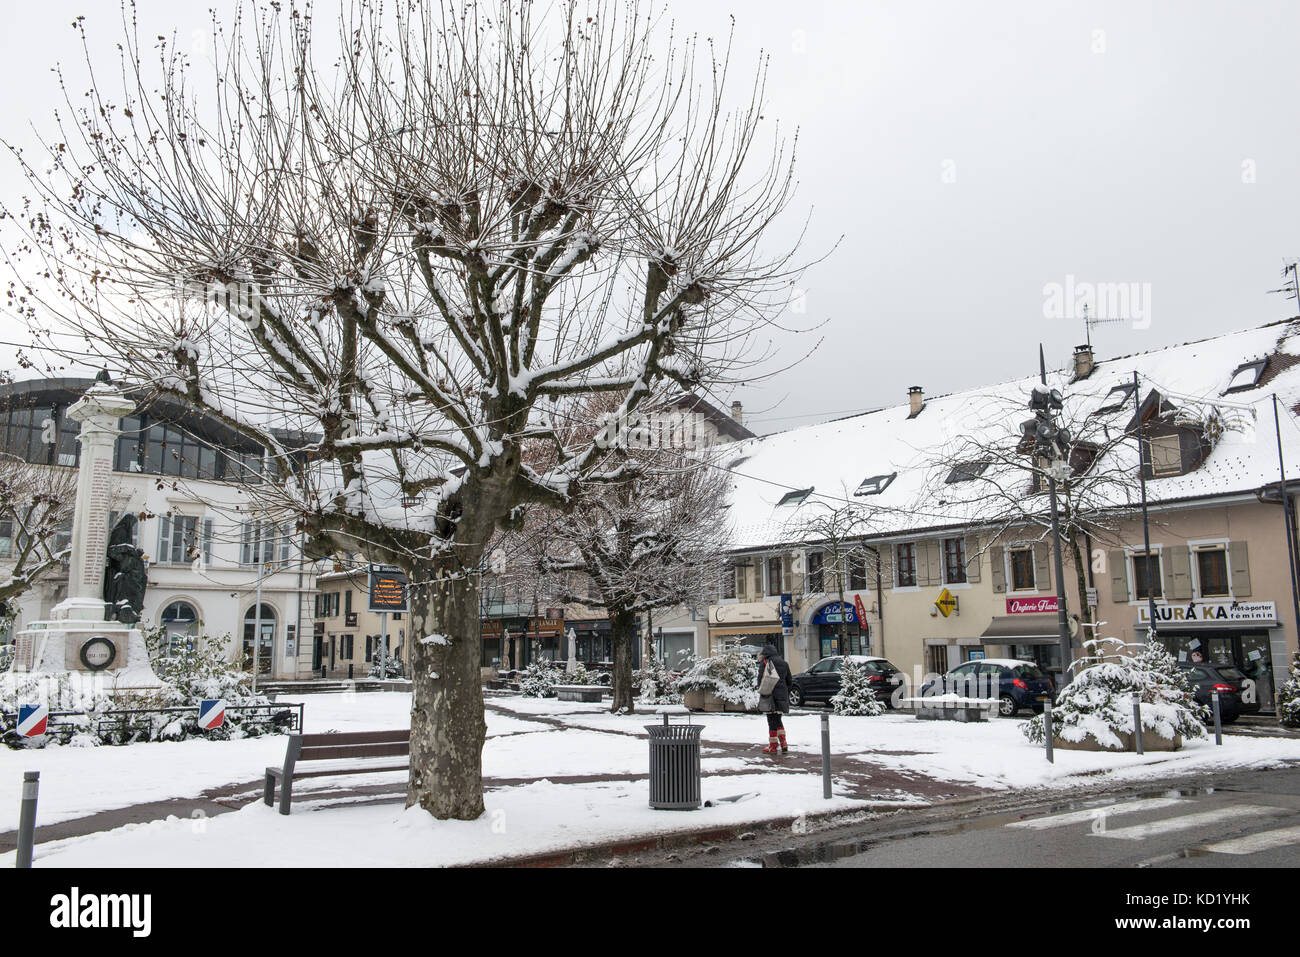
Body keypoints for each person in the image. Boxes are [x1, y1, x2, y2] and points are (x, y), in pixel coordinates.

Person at [756, 642, 793, 754]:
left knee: (771, 720)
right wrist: (785, 692)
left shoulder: (765, 663)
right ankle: (784, 743)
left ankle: (773, 745)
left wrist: (761, 689)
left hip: (770, 696)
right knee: (778, 719)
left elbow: (760, 680)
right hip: (782, 696)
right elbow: (790, 681)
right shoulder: (784, 663)